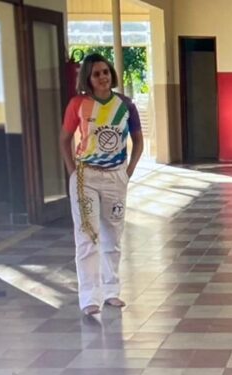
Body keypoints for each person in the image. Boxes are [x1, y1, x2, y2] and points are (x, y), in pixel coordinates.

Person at [59, 53, 143, 316]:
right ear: (88, 78)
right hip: (86, 177)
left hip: (115, 177)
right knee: (87, 237)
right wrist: (73, 173)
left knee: (112, 236)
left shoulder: (126, 105)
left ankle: (111, 291)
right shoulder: (78, 104)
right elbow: (64, 139)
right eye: (96, 74)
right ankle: (89, 297)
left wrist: (127, 173)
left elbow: (138, 141)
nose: (103, 77)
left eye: (105, 72)